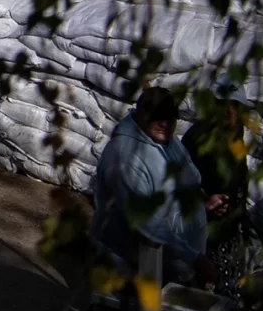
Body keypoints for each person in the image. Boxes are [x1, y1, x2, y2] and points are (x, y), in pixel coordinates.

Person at [92, 85, 215, 283]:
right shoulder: (126, 157)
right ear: (141, 112)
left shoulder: (169, 143)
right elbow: (146, 224)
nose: (165, 123)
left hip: (174, 272)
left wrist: (205, 202)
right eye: (158, 116)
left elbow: (188, 181)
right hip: (136, 275)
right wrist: (194, 258)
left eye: (170, 117)